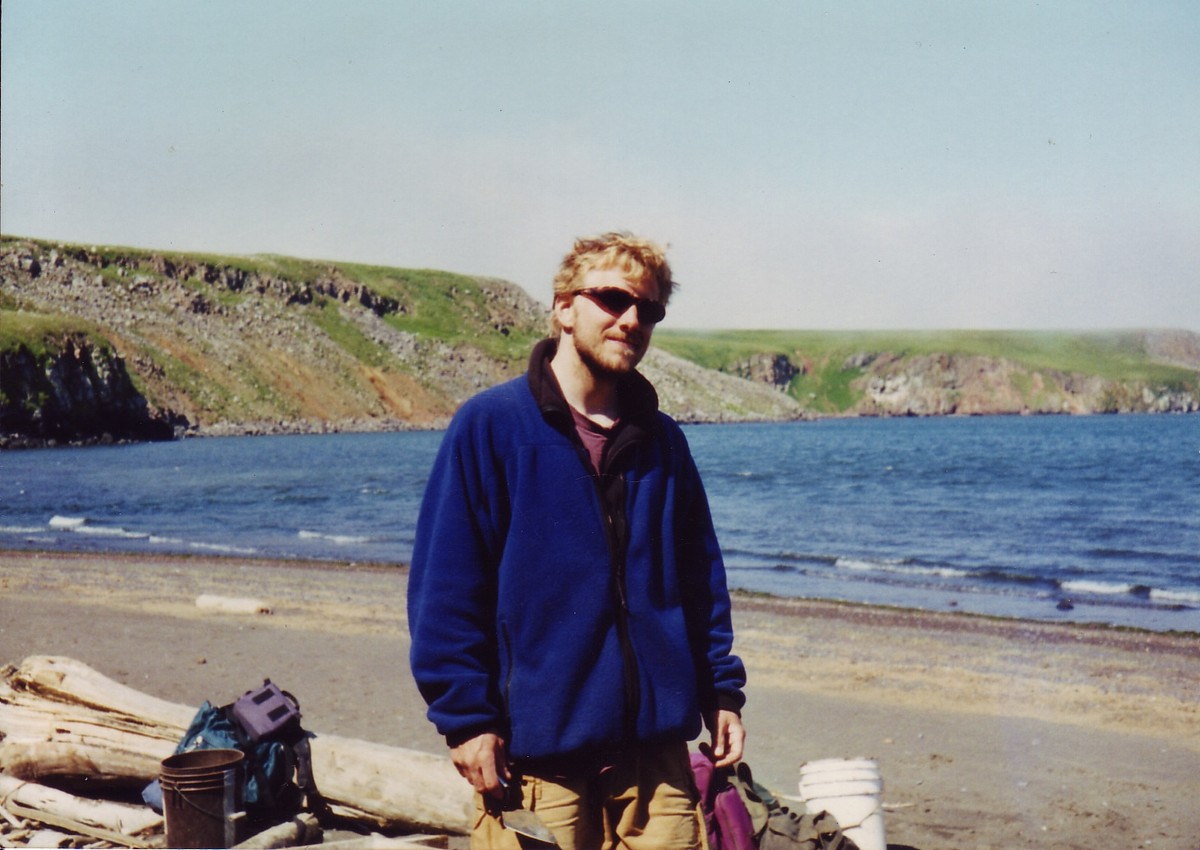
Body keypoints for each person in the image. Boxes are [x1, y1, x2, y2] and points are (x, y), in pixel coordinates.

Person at [408, 232, 746, 849]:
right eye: (613, 299)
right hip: (538, 764)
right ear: (564, 307)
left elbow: (701, 581)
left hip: (657, 763)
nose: (631, 319)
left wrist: (721, 690)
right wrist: (466, 721)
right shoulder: (492, 427)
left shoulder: (664, 442)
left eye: (649, 309)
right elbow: (447, 589)